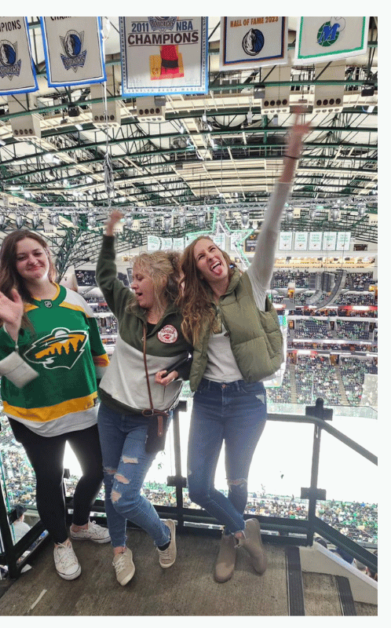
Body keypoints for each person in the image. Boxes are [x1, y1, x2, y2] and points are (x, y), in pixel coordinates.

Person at [179, 112, 311, 583]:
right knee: (198, 485)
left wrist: (290, 157)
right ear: (195, 270)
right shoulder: (192, 306)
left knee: (237, 480)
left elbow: (271, 228)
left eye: (212, 250)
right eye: (200, 256)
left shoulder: (253, 285)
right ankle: (243, 529)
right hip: (208, 400)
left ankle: (228, 541)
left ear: (224, 255)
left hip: (247, 400)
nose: (210, 257)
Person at [0, 229, 110, 581]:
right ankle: (61, 541)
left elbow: (96, 353)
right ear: (13, 264)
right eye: (22, 257)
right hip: (34, 417)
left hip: (85, 410)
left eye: (37, 253)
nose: (32, 261)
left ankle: (79, 524)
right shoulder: (2, 306)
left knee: (97, 470)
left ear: (48, 254)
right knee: (49, 480)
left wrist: (108, 393)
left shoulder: (75, 302)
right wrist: (12, 326)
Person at [95, 210, 192, 585]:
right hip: (110, 413)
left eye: (139, 278)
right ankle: (119, 551)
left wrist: (180, 370)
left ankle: (163, 535)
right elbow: (105, 275)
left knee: (124, 496)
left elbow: (200, 356)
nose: (132, 284)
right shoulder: (127, 307)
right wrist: (108, 233)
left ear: (161, 280)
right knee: (110, 485)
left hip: (147, 420)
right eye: (131, 277)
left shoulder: (186, 319)